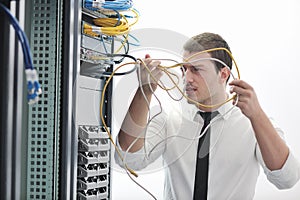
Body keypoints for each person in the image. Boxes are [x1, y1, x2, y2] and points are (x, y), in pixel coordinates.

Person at [114, 32, 300, 199]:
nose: (186, 78)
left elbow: (287, 179)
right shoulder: (170, 117)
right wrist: (144, 91)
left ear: (223, 74)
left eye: (196, 69)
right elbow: (127, 160)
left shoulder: (252, 124)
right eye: (184, 69)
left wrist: (257, 115)